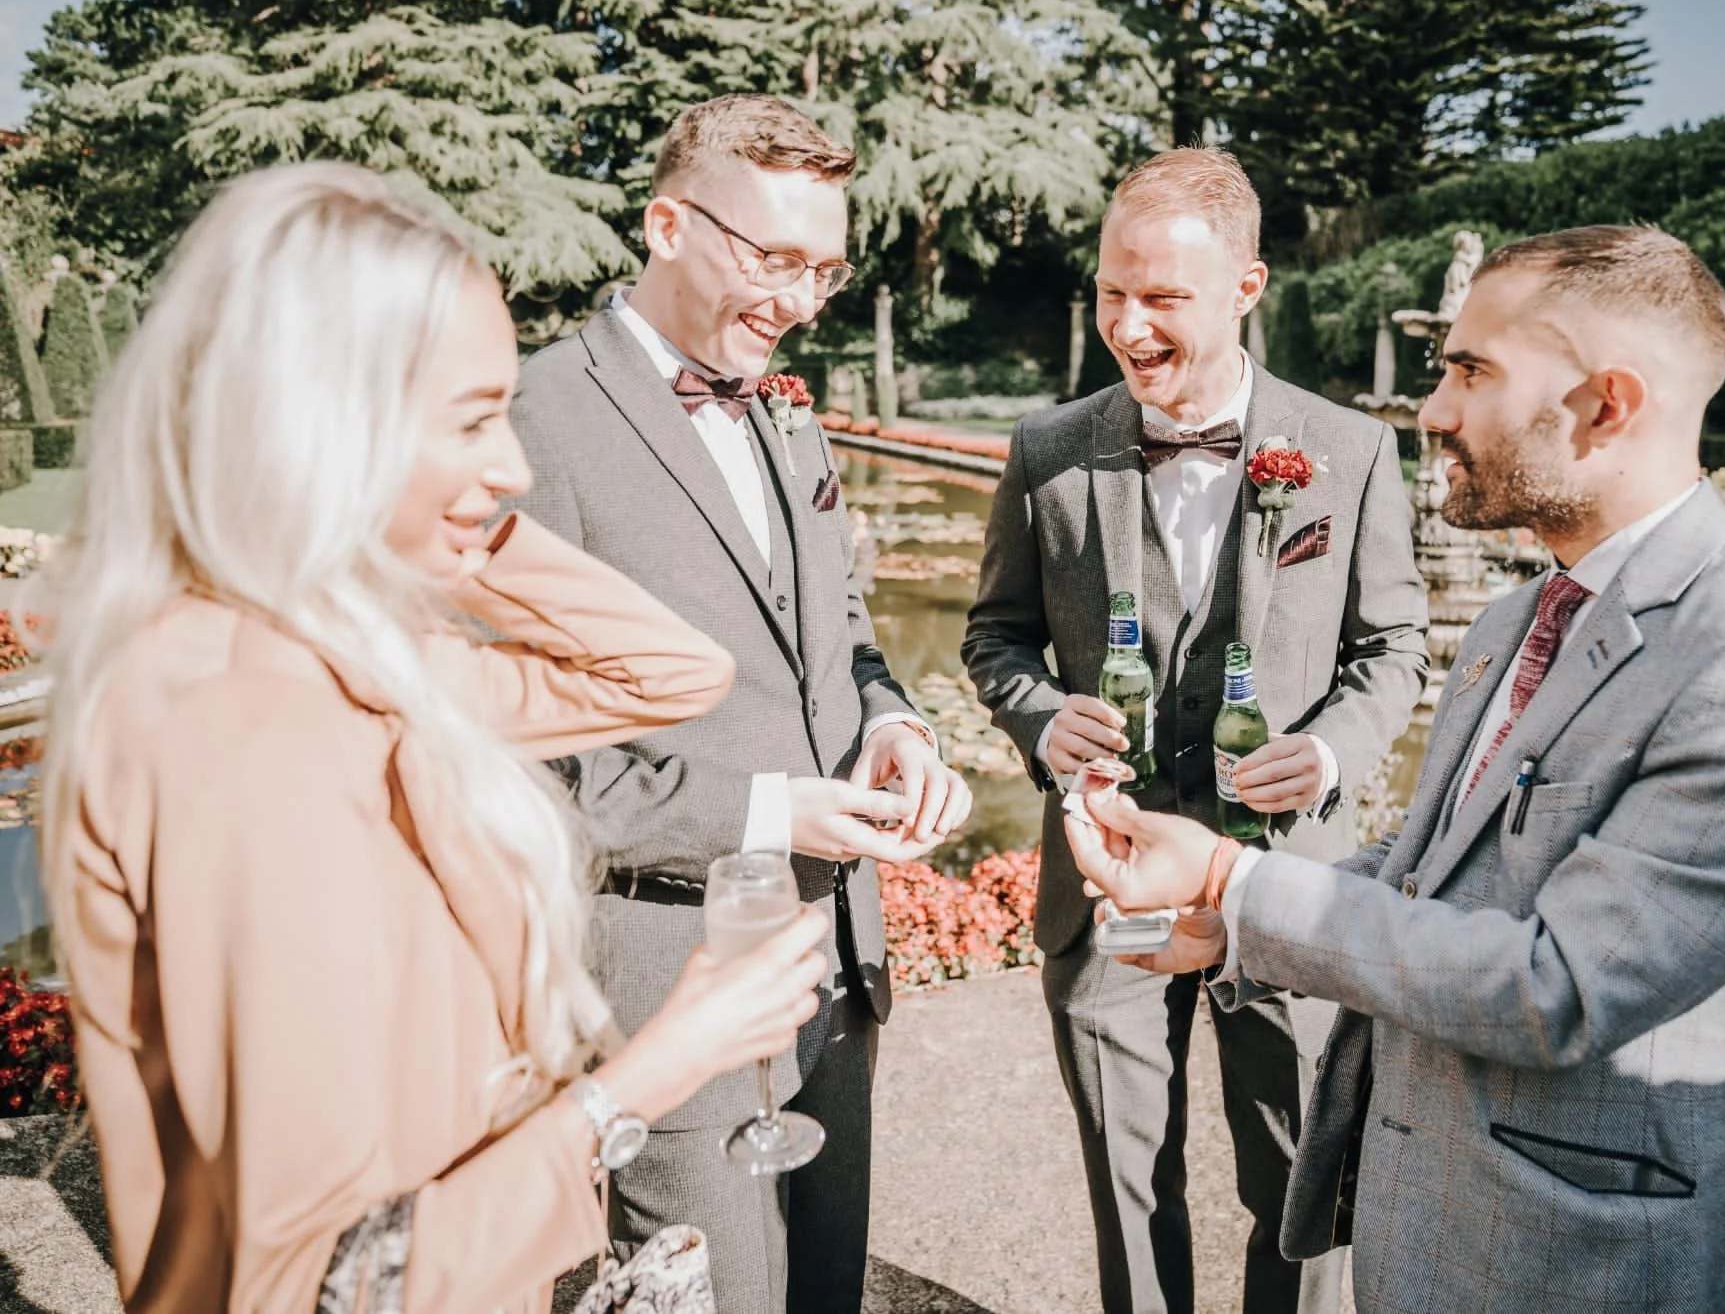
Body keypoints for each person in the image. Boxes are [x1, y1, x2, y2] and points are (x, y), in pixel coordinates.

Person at [31, 163, 831, 1314]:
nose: (512, 470)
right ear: (311, 423)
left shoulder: (370, 665)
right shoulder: (232, 725)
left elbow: (673, 672)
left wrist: (458, 527)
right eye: (468, 420)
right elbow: (323, 1283)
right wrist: (658, 1069)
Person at [1062, 224, 1725, 1314]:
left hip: (1578, 1265)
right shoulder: (1517, 616)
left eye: (1470, 372)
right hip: (1421, 1228)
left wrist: (1235, 880)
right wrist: (1230, 933)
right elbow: (1434, 870)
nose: (1434, 408)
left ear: (1606, 404)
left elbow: (1557, 989)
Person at [510, 93, 972, 1313]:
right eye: (774, 260)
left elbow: (849, 638)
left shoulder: (783, 411)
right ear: (667, 223)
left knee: (822, 1291)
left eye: (825, 268)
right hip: (666, 973)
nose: (803, 300)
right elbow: (520, 763)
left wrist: (894, 727)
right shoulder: (534, 419)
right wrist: (773, 809)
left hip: (835, 967)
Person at [961, 148, 1429, 1314]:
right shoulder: (1048, 450)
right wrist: (1038, 713)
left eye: (1161, 297)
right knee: (1127, 1178)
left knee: (1299, 1184)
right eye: (1112, 290)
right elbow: (992, 637)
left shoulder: (1351, 453)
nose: (1127, 323)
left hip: (1281, 893)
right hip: (1110, 882)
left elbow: (1394, 652)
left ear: (1245, 287)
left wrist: (1325, 753)